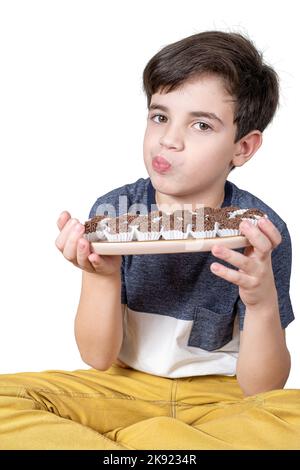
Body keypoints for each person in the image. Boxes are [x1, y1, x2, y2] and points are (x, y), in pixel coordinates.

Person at [0, 30, 299, 450]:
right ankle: (167, 447)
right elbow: (97, 358)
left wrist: (261, 299)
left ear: (243, 148)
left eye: (200, 125)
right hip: (122, 391)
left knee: (292, 417)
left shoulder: (260, 230)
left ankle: (139, 446)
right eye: (160, 117)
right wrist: (100, 276)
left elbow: (263, 387)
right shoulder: (115, 211)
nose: (169, 139)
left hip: (219, 399)